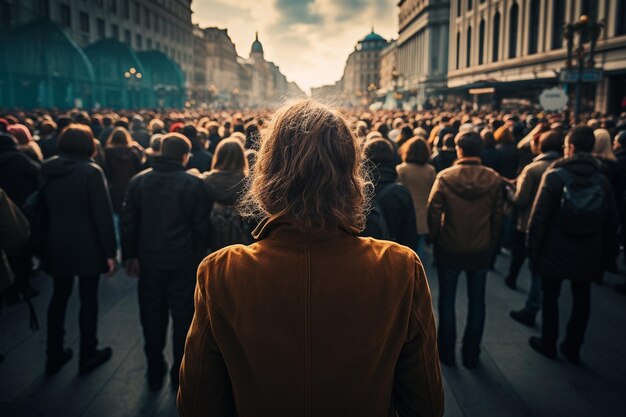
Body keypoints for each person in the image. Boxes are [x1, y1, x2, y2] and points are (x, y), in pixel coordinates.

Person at [177, 99, 444, 417]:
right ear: (350, 173)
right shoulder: (399, 266)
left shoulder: (222, 271)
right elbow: (426, 403)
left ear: (267, 171)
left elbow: (196, 404)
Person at [121, 133, 210, 391]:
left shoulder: (138, 182)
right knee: (183, 316)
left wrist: (130, 256)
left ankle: (154, 368)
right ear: (185, 156)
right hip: (184, 261)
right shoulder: (194, 184)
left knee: (151, 315)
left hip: (149, 260)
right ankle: (178, 371)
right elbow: (201, 227)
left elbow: (129, 224)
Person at [527, 126, 618, 364]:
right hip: (589, 250)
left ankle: (548, 342)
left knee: (551, 297)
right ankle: (573, 345)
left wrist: (533, 251)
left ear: (572, 148)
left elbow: (539, 218)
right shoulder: (602, 180)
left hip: (554, 249)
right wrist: (606, 258)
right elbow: (611, 223)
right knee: (582, 299)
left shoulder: (554, 176)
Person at [41, 124, 117, 375]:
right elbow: (102, 215)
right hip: (88, 244)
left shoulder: (47, 167)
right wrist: (110, 252)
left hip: (55, 241)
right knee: (88, 299)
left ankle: (53, 352)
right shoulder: (91, 172)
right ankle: (88, 352)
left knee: (58, 298)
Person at [428, 130, 503, 369]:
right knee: (477, 300)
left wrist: (436, 238)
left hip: (450, 245)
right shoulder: (492, 178)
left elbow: (433, 211)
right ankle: (471, 353)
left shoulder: (445, 177)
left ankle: (446, 352)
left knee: (447, 300)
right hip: (480, 247)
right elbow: (498, 215)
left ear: (459, 149)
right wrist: (492, 241)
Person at [508, 131, 563, 326]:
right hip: (557, 226)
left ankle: (531, 307)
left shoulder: (533, 169)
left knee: (533, 267)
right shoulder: (563, 166)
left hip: (529, 223)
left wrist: (509, 192)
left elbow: (520, 200)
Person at [0, 132, 40, 304]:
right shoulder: (19, 159)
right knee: (22, 248)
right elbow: (38, 173)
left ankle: (11, 288)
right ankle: (23, 284)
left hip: (10, 204)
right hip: (22, 205)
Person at [361, 138, 419, 250]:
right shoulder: (401, 193)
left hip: (365, 258)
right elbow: (410, 234)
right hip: (395, 255)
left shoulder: (358, 192)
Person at [203, 138, 250, 251]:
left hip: (213, 235)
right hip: (241, 238)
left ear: (218, 156)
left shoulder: (206, 180)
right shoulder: (247, 181)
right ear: (241, 157)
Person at [396, 137, 437, 257]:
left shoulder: (401, 169)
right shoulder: (430, 170)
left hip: (404, 214)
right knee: (418, 254)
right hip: (423, 215)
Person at [104, 127, 143, 215]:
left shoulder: (108, 153)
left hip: (115, 187)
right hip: (131, 187)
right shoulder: (133, 153)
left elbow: (107, 172)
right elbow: (139, 171)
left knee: (116, 214)